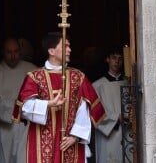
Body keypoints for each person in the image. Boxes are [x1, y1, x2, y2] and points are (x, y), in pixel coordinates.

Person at [12, 32, 106, 163]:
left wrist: (76, 136)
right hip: (41, 141)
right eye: (65, 46)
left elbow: (84, 108)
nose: (69, 50)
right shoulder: (34, 77)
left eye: (69, 46)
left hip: (71, 142)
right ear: (51, 50)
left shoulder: (78, 77)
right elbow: (24, 109)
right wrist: (49, 104)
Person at [0, 38, 37, 163]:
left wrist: (17, 106)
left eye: (16, 51)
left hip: (27, 127)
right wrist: (19, 107)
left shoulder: (33, 70)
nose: (13, 56)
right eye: (9, 52)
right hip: (4, 129)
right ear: (3, 52)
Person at [92, 48, 128, 163]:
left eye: (120, 59)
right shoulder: (97, 85)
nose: (117, 61)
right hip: (109, 133)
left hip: (127, 132)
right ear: (107, 60)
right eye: (113, 58)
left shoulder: (128, 83)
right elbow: (95, 111)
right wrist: (115, 117)